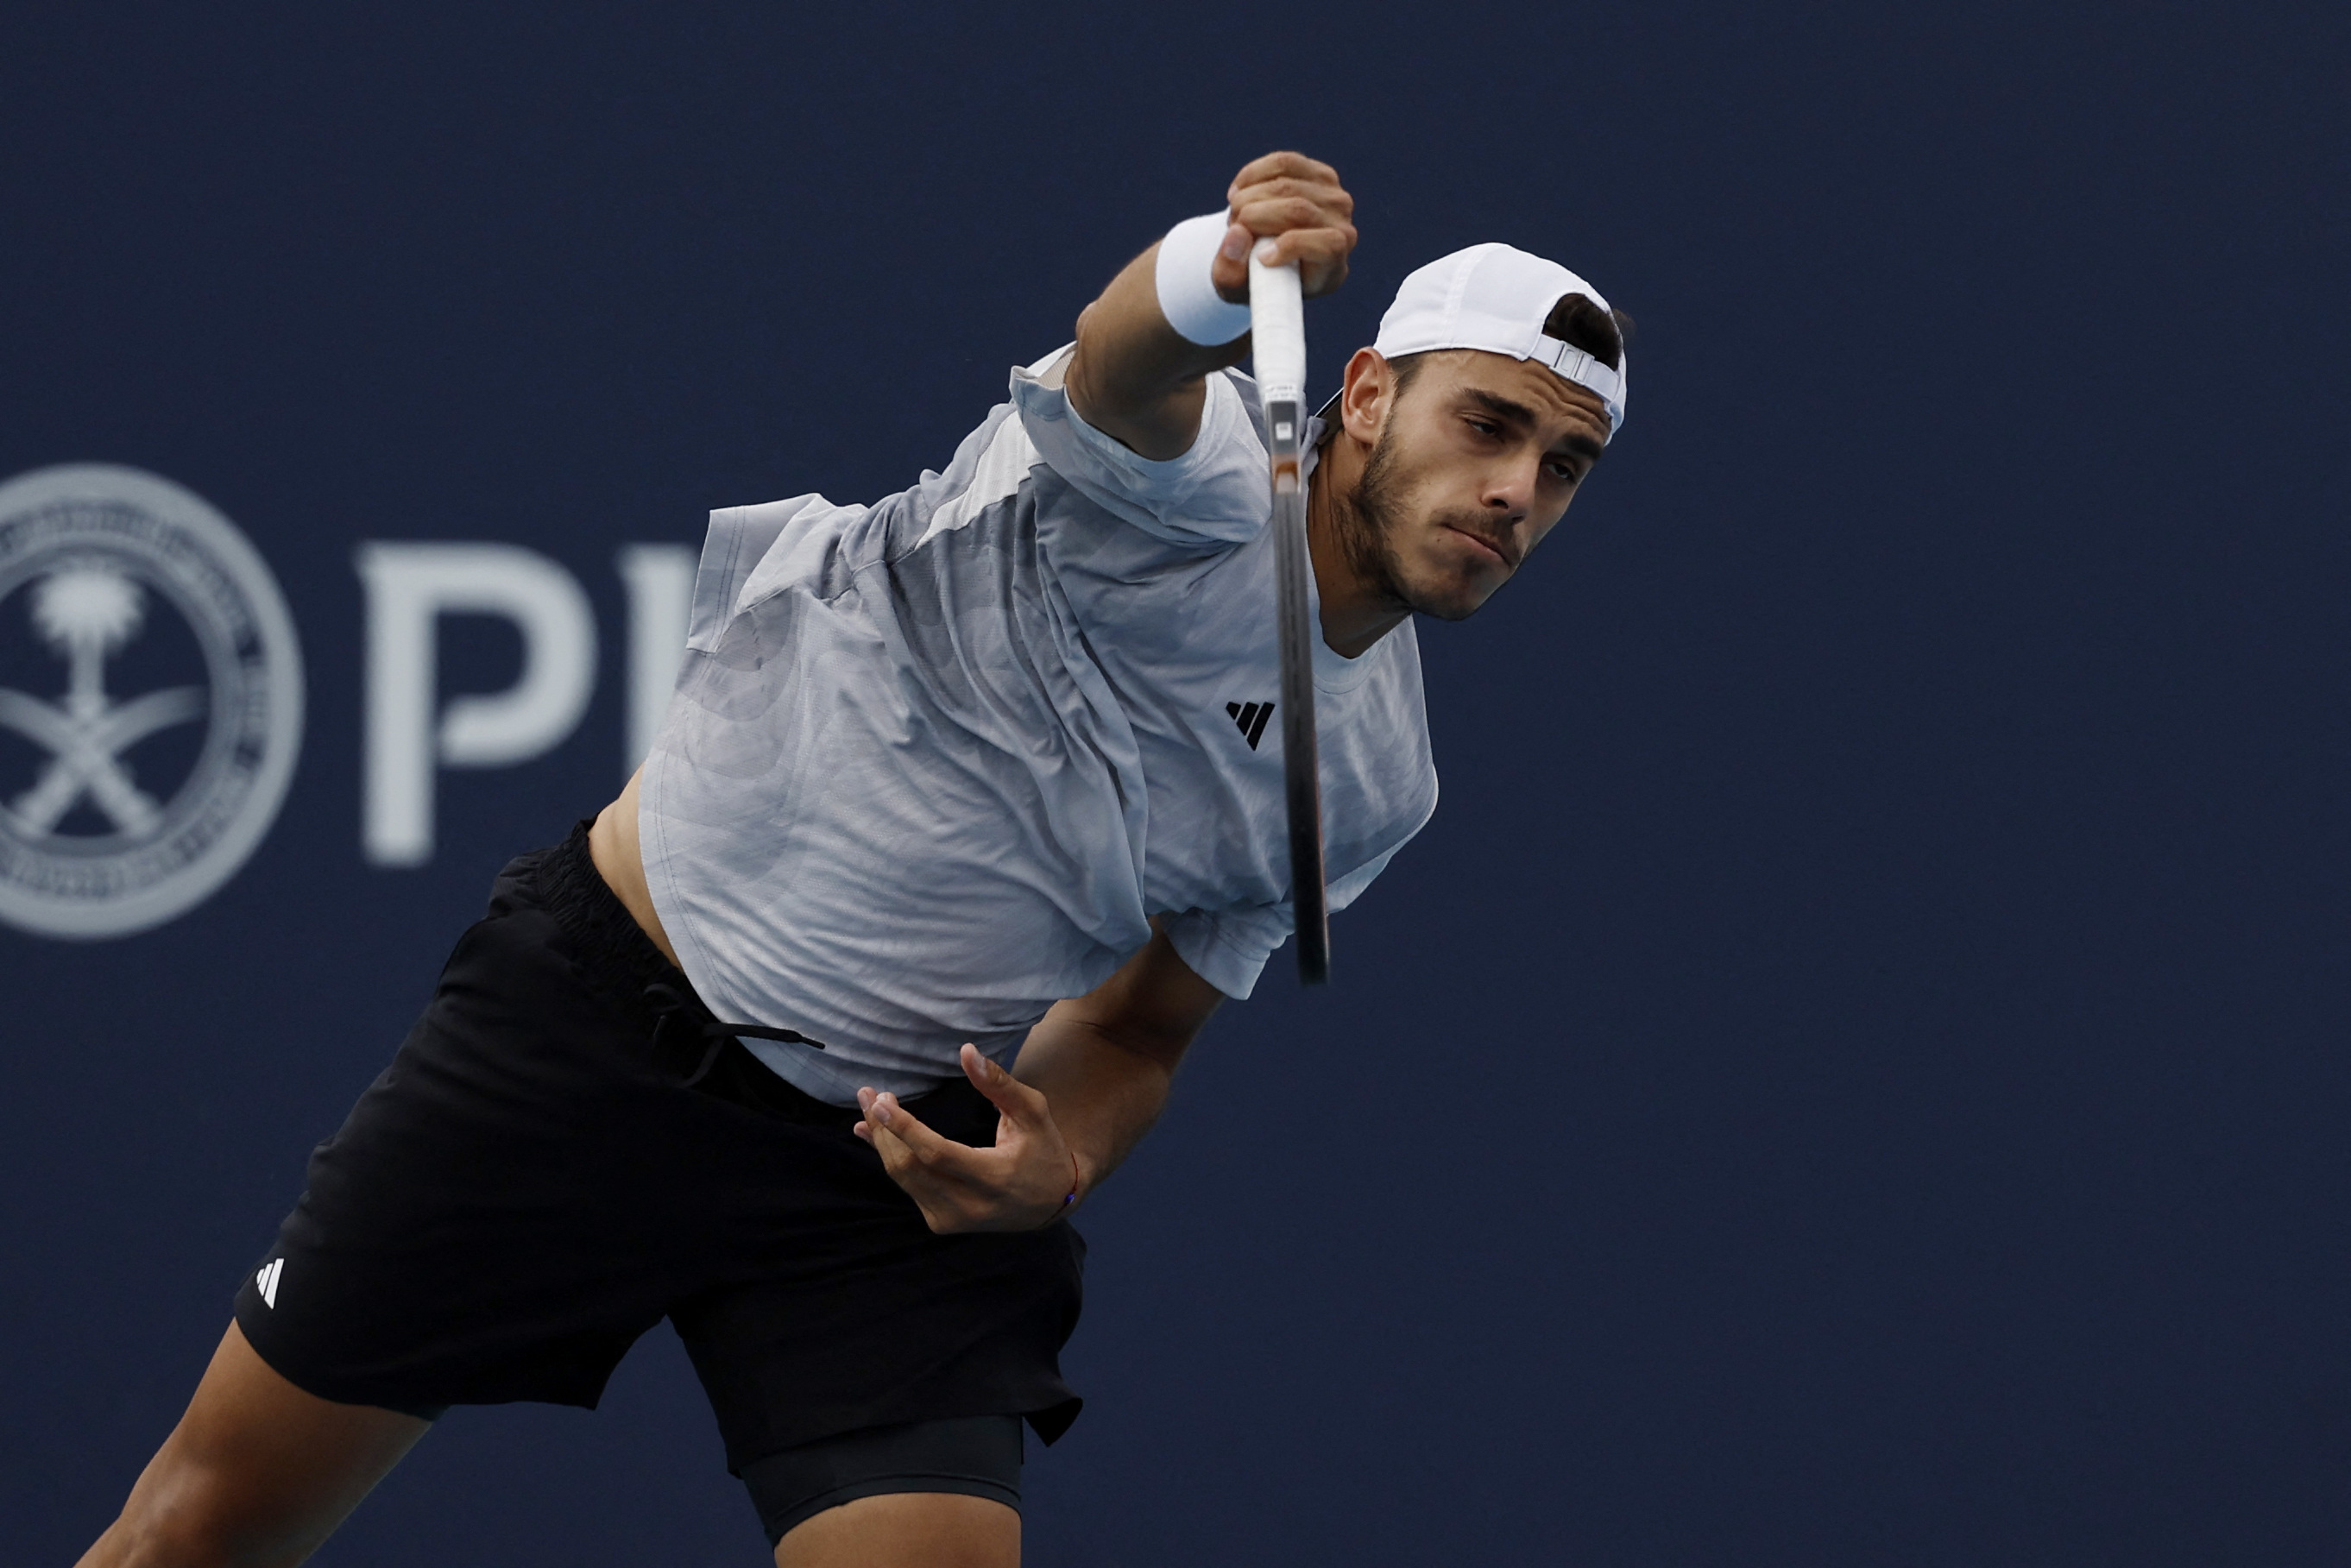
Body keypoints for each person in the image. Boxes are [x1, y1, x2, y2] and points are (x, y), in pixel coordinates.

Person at [77, 150, 1631, 1568]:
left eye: (1561, 465)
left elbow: (1144, 1026)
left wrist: (1056, 1159)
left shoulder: (1376, 776)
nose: (1513, 490)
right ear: (1360, 394)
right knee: (198, 1532)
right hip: (600, 1022)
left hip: (887, 1165)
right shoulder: (1197, 477)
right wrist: (1206, 270)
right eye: (1485, 424)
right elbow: (1117, 365)